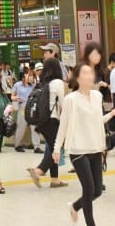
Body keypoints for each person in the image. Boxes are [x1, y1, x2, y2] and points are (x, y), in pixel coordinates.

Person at [53, 64, 115, 226]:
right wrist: (57, 148)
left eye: (91, 73)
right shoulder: (70, 99)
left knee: (98, 191)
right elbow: (63, 125)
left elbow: (96, 121)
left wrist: (112, 114)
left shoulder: (97, 95)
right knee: (89, 189)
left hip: (96, 147)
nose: (90, 76)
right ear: (77, 78)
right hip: (78, 149)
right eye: (85, 73)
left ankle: (74, 206)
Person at [27, 57, 67, 189]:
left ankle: (54, 180)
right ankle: (39, 171)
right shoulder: (58, 83)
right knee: (57, 148)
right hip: (52, 120)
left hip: (41, 121)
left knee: (52, 146)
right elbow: (63, 104)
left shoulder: (43, 82)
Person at [11, 68, 41, 153]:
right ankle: (17, 145)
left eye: (32, 76)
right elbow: (12, 96)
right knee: (21, 126)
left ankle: (37, 147)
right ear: (24, 76)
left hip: (32, 107)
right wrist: (16, 98)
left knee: (34, 126)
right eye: (29, 75)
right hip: (22, 107)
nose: (31, 77)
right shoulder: (17, 85)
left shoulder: (34, 85)